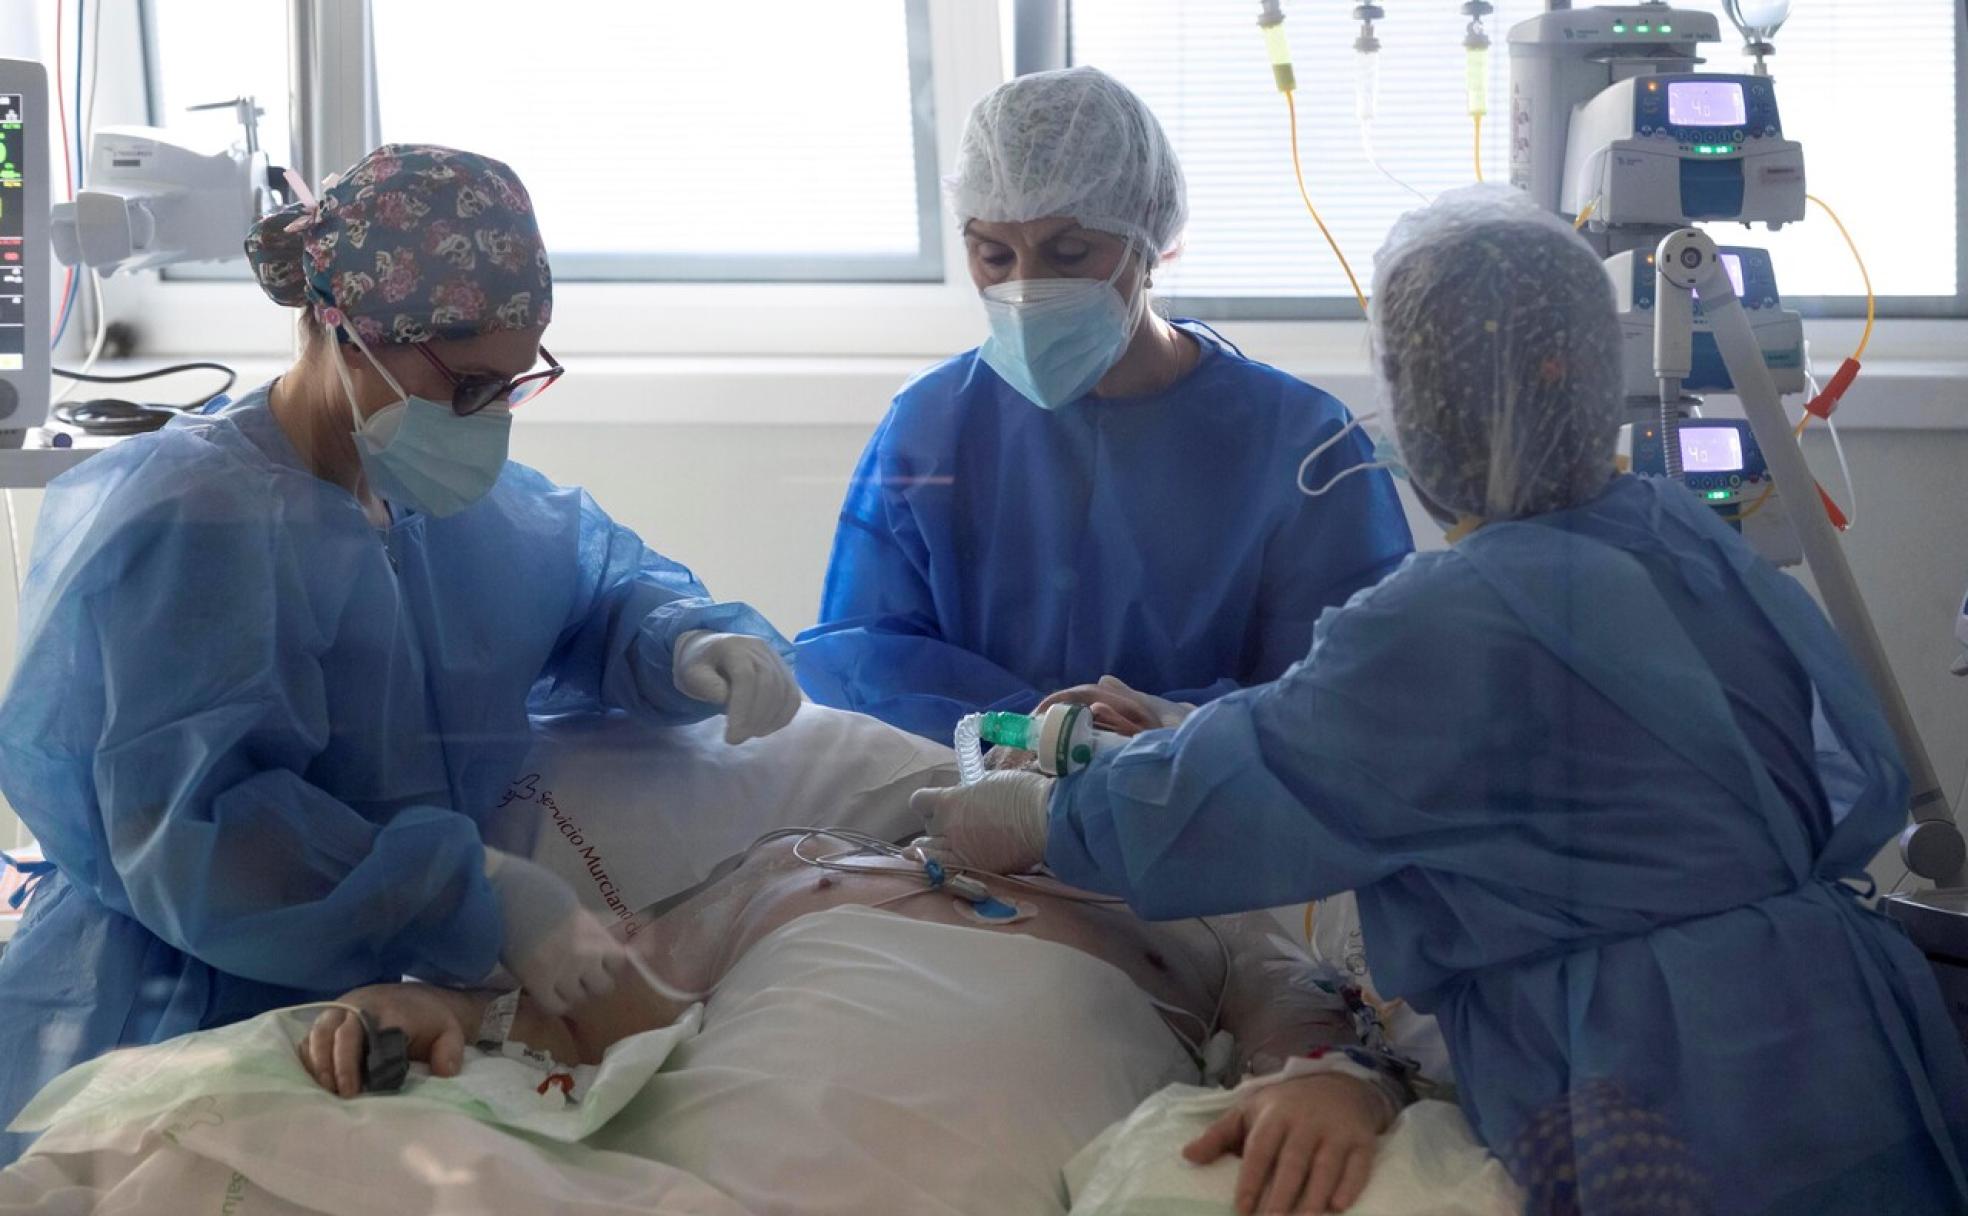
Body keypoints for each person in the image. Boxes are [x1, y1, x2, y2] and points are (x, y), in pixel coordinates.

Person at [912, 187, 1968, 1214]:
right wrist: (1200, 730)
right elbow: (1569, 765)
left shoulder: (1452, 615)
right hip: (1851, 1035)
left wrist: (1046, 813)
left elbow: (1251, 794)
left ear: (1427, 397)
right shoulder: (1677, 533)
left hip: (1669, 1081)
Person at [0, 144, 801, 1165]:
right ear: (342, 324)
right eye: (467, 384)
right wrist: (475, 889)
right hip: (174, 1001)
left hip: (394, 995)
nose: (488, 421)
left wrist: (685, 639)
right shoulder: (192, 525)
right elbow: (190, 835)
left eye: (514, 383)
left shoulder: (437, 500)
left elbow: (587, 585)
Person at [298, 836, 1418, 1216]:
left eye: (1093, 736)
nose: (1044, 738)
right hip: (714, 1162)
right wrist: (435, 1004)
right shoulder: (807, 865)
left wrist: (1335, 1085)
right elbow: (591, 1003)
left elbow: (1319, 1034)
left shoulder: (1195, 912)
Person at [795, 67, 1413, 744]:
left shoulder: (1298, 445)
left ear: (1149, 238)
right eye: (994, 255)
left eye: (1069, 252)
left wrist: (1163, 728)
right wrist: (1027, 733)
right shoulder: (931, 425)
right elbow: (860, 653)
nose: (1026, 288)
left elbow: (1352, 691)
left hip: (1201, 814)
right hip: (963, 800)